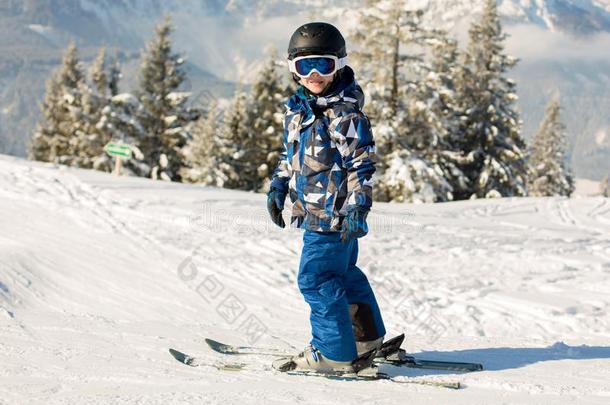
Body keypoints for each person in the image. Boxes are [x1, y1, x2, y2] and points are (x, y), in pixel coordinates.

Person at [267, 21, 386, 373]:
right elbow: (290, 156)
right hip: (313, 209)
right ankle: (364, 338)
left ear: (340, 64)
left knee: (316, 279)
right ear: (293, 69)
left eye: (324, 64)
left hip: (333, 214)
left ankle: (334, 352)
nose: (315, 74)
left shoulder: (345, 114)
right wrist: (278, 185)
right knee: (344, 275)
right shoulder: (297, 110)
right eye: (306, 66)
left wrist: (358, 207)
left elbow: (361, 165)